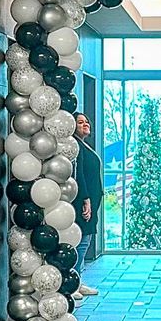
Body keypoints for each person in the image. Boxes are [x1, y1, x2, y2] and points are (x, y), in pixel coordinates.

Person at [73, 112, 103, 300]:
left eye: (86, 121)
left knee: (87, 239)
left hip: (91, 201)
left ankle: (78, 280)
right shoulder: (75, 146)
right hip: (83, 203)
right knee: (81, 241)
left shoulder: (84, 145)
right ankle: (73, 282)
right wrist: (85, 199)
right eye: (80, 122)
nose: (85, 124)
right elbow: (79, 174)